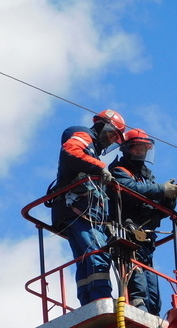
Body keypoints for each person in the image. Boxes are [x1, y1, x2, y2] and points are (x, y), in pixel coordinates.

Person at [51, 109, 127, 306]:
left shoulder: (92, 149)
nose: (111, 141)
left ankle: (88, 302)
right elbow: (70, 151)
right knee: (97, 255)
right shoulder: (84, 135)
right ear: (101, 125)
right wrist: (100, 167)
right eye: (111, 135)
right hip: (79, 211)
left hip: (83, 213)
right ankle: (101, 300)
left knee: (85, 260)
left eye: (115, 139)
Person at [109, 128, 177, 316]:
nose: (141, 152)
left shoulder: (146, 177)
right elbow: (131, 188)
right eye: (137, 148)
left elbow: (156, 208)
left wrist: (169, 197)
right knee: (137, 277)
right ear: (126, 149)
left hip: (146, 240)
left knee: (151, 282)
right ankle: (138, 308)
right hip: (127, 233)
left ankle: (153, 314)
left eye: (144, 148)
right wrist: (160, 189)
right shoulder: (119, 171)